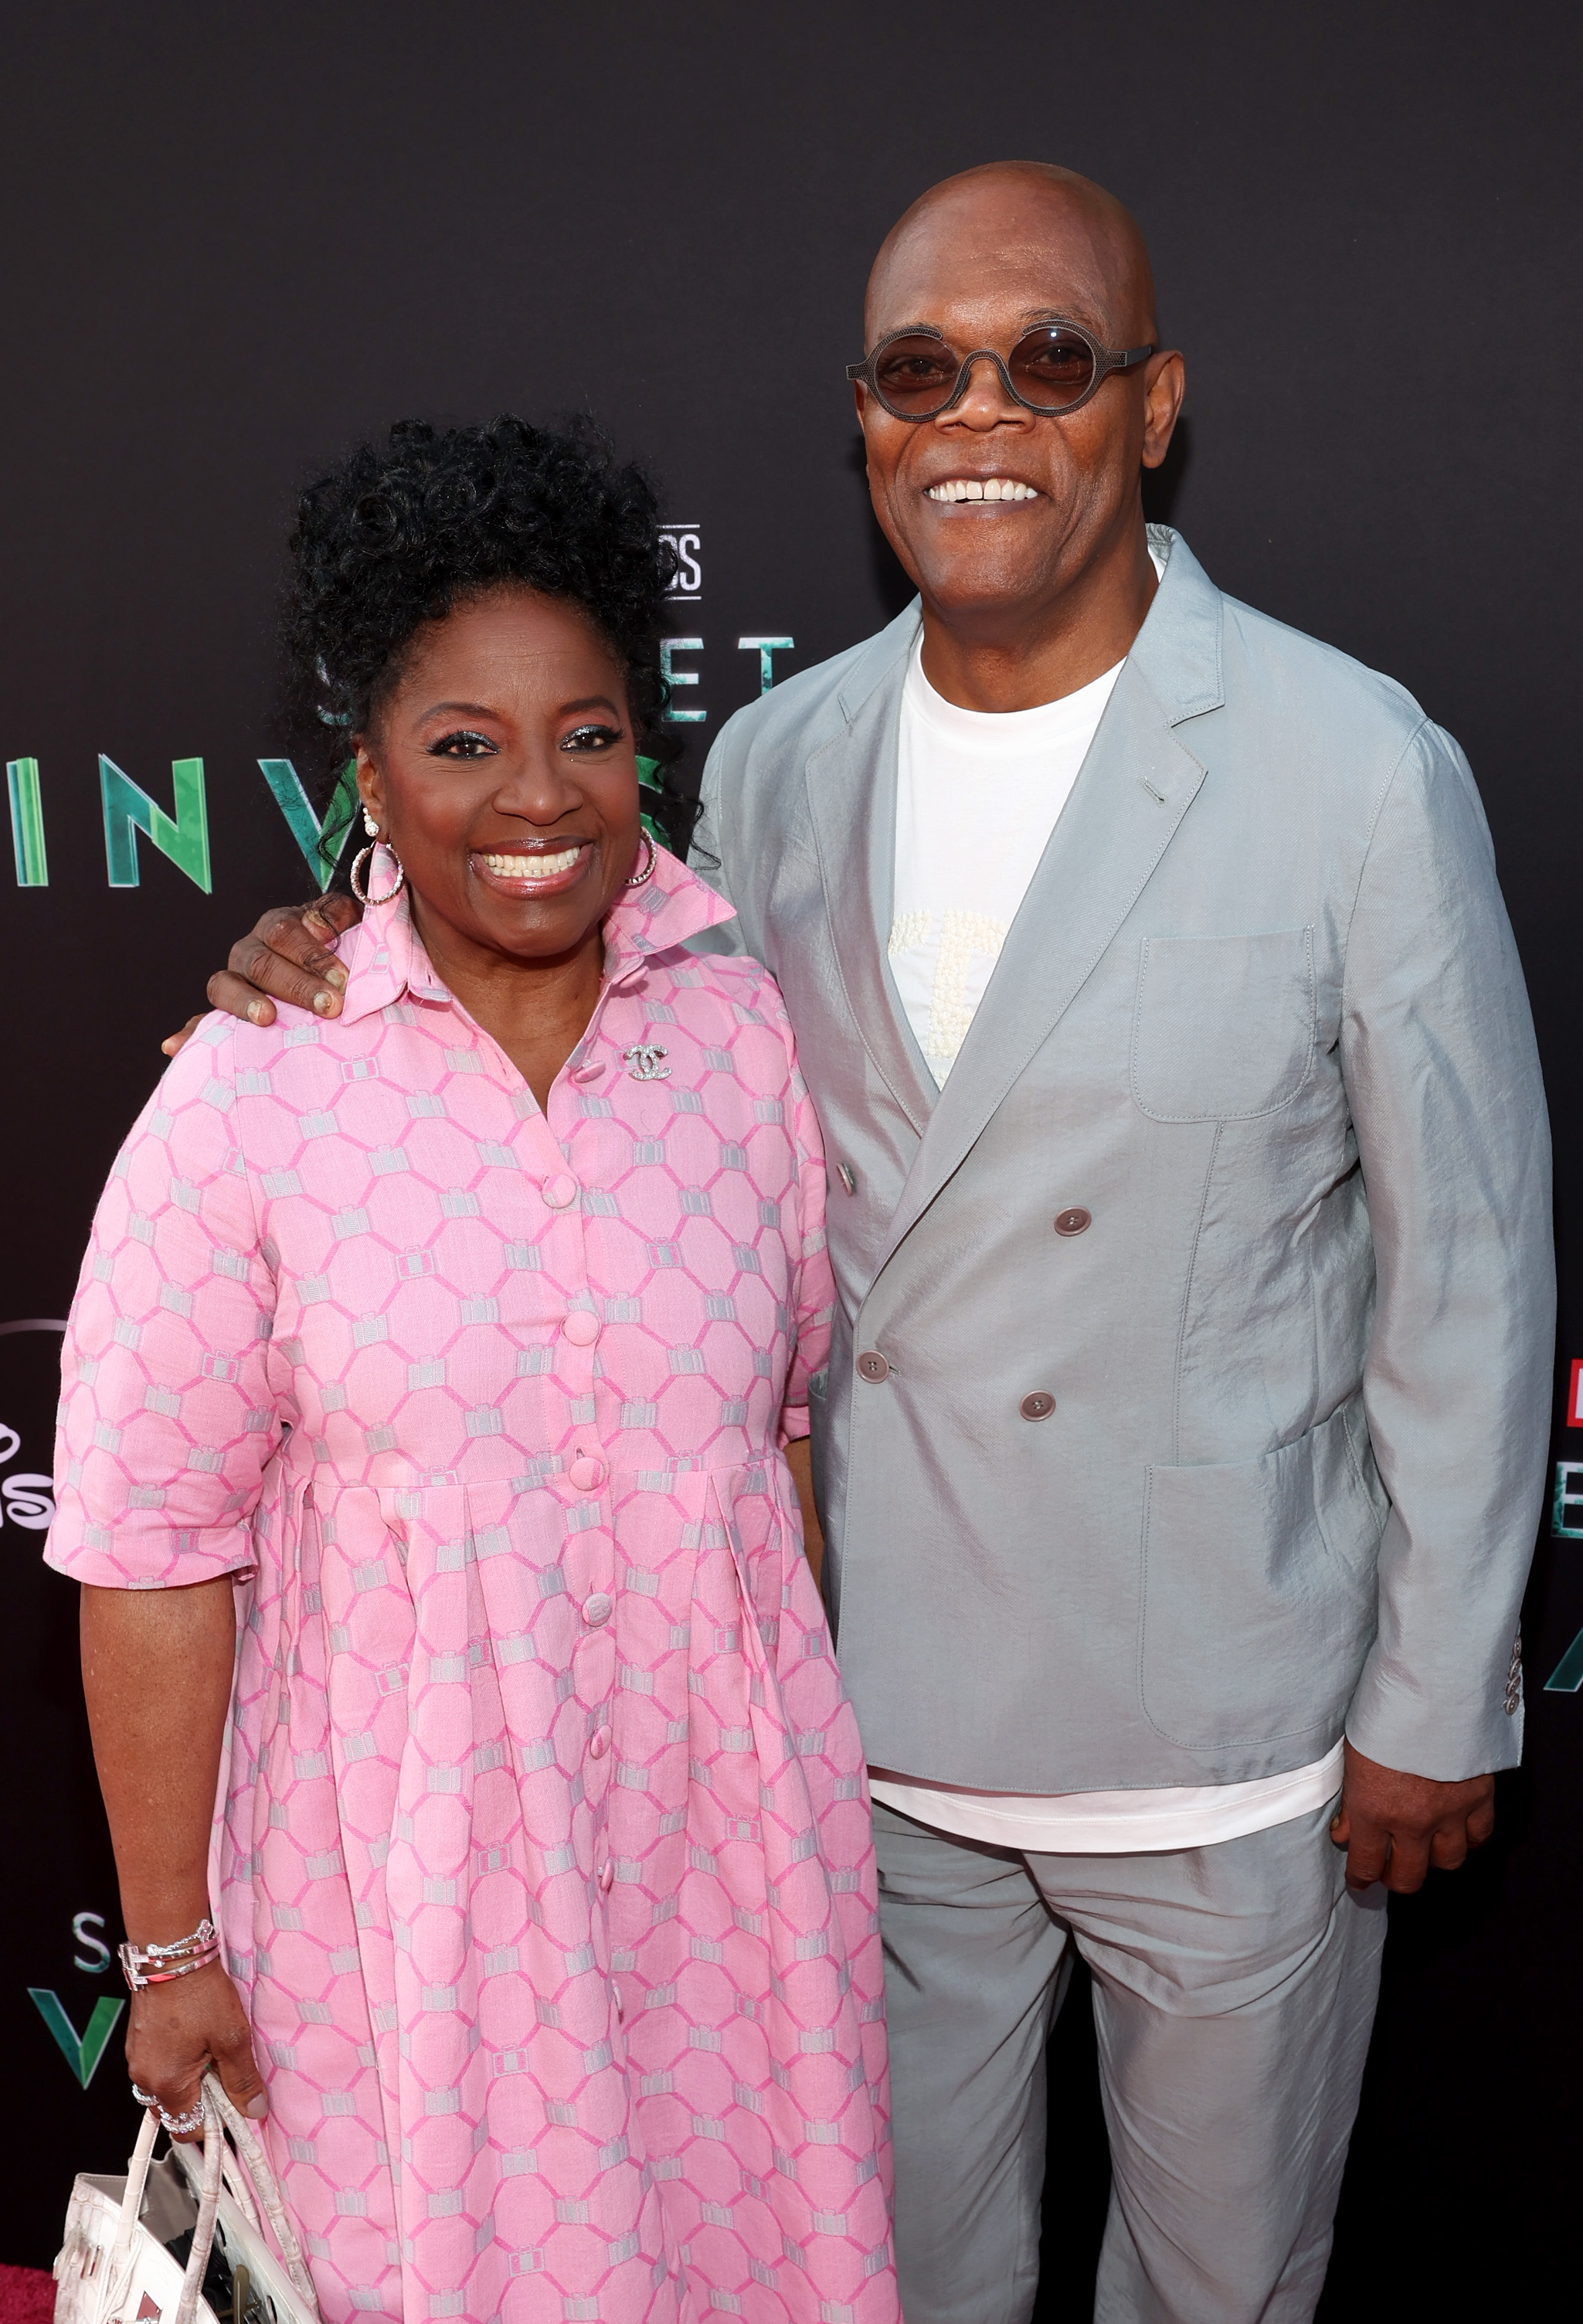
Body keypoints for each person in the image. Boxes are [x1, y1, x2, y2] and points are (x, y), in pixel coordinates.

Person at [180, 164, 1554, 2324]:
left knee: (1220, 2292)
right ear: (864, 422)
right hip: (865, 1722)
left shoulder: (1351, 765)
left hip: (1223, 1714)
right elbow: (552, 969)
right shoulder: (790, 759)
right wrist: (323, 939)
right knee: (879, 2275)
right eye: (926, 370)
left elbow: (1468, 1271)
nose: (981, 414)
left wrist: (1436, 1692)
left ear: (1154, 405)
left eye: (1050, 361)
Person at [50, 416, 899, 2324]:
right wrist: (172, 1947)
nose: (538, 794)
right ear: (365, 770)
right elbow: (148, 1551)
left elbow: (771, 1456)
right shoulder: (253, 1097)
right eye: (461, 741)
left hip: (721, 1890)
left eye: (588, 733)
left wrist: (790, 1800)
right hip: (399, 1911)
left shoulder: (739, 1039)